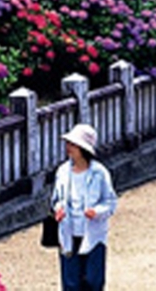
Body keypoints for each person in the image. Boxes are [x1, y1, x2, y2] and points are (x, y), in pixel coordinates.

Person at [51, 123, 118, 291]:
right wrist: (58, 209)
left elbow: (110, 202)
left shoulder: (100, 173)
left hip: (93, 234)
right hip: (68, 232)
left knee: (93, 281)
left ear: (83, 148)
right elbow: (56, 199)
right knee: (70, 282)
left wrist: (96, 212)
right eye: (68, 143)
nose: (68, 147)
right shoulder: (62, 172)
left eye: (73, 144)